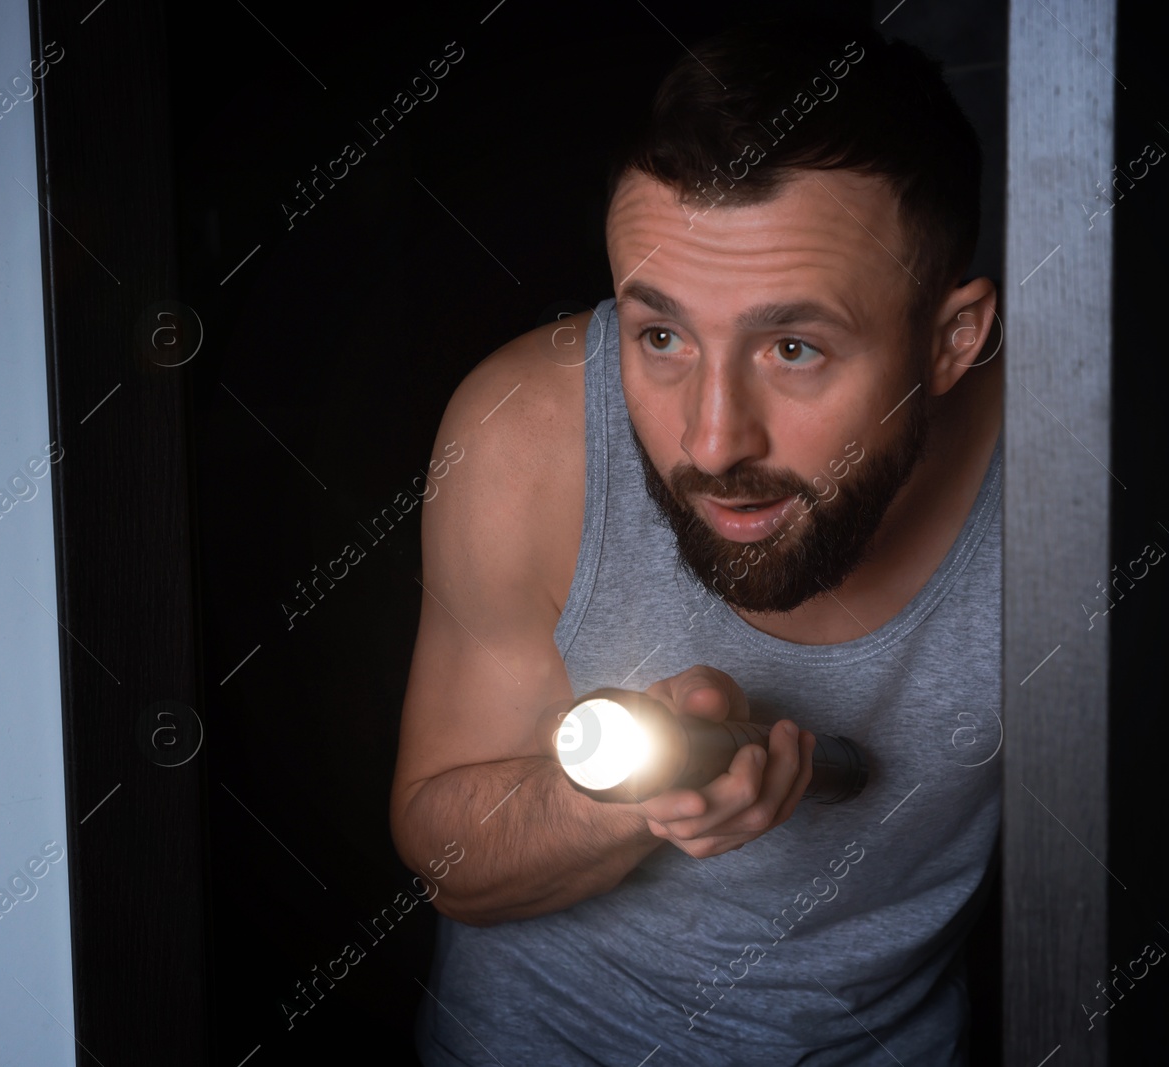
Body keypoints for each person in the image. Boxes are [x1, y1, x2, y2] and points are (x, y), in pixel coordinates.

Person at [390, 15, 1003, 1065]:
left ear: (953, 340)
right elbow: (450, 862)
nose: (712, 439)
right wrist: (624, 800)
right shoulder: (525, 434)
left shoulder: (1079, 477)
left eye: (795, 346)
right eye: (661, 336)